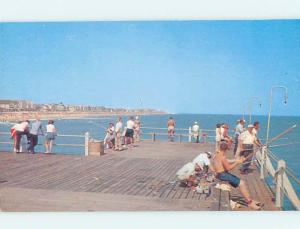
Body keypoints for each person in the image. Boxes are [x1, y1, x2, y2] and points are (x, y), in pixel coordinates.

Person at [213, 141, 262, 210]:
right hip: (222, 175)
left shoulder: (217, 154)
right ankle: (250, 203)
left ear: (220, 148)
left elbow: (227, 161)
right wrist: (237, 162)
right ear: (227, 149)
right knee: (241, 183)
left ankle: (249, 200)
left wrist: (237, 160)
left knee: (241, 182)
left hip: (219, 174)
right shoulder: (223, 157)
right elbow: (228, 168)